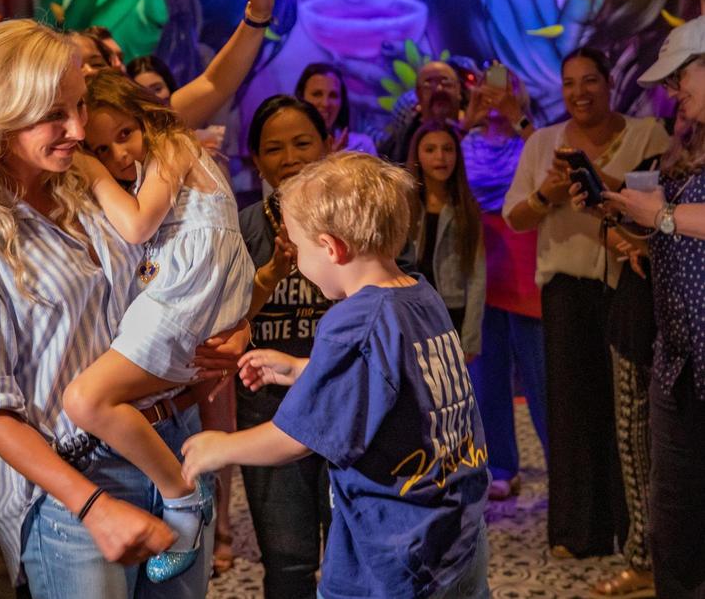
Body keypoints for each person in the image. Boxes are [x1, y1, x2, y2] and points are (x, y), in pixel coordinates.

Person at [0, 0, 271, 598]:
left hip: (168, 449)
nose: (75, 128)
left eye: (78, 106)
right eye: (54, 114)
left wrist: (223, 338)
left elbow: (164, 294)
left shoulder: (88, 186)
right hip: (69, 485)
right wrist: (90, 504)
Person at [182, 151, 491, 599]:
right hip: (457, 533)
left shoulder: (353, 321)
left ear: (331, 248)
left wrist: (222, 447)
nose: (300, 263)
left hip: (396, 551)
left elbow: (300, 437)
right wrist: (301, 370)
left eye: (299, 249)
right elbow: (395, 381)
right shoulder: (420, 296)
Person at [63, 70, 253, 581]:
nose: (119, 155)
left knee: (86, 400)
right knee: (100, 401)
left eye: (125, 134)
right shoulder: (149, 168)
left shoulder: (171, 144)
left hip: (185, 297)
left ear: (145, 116)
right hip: (187, 295)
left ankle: (185, 499)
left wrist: (91, 170)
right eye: (101, 149)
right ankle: (186, 497)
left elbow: (138, 224)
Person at [503, 46, 669, 559]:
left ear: (610, 83)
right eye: (570, 83)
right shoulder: (544, 145)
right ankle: (577, 532)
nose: (580, 92)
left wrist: (604, 185)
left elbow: (665, 206)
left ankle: (637, 532)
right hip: (567, 292)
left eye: (590, 80)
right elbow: (515, 217)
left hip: (631, 285)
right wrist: (548, 194)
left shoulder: (648, 135)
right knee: (572, 411)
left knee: (631, 415)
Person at [576, 20, 705, 597]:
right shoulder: (690, 143)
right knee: (673, 514)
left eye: (680, 78)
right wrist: (621, 212)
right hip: (677, 357)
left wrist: (662, 217)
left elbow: (677, 222)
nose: (673, 92)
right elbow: (678, 238)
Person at [237, 95, 334, 598]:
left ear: (329, 145)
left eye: (303, 143)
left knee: (350, 556)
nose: (290, 156)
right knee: (288, 562)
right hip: (267, 414)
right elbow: (226, 320)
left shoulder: (355, 221)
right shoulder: (241, 228)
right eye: (274, 148)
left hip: (344, 409)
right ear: (256, 159)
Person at [460, 71, 549, 502]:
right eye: (488, 86)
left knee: (541, 374)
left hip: (527, 262)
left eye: (507, 86)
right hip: (481, 265)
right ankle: (500, 465)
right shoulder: (465, 141)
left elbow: (552, 172)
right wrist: (467, 121)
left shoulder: (532, 139)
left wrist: (520, 119)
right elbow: (438, 175)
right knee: (486, 373)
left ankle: (563, 463)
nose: (496, 95)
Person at [407, 121, 485, 359]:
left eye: (448, 149)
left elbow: (477, 276)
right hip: (411, 312)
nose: (440, 157)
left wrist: (471, 336)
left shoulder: (466, 208)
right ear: (418, 155)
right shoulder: (405, 206)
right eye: (430, 149)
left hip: (451, 311)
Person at [379, 60, 464, 164]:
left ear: (458, 89)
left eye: (445, 81)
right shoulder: (400, 146)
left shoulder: (477, 131)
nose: (439, 89)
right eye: (428, 83)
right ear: (418, 94)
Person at [293, 63, 377, 155]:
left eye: (333, 96)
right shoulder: (291, 147)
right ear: (301, 98)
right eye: (317, 94)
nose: (325, 103)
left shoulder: (361, 146)